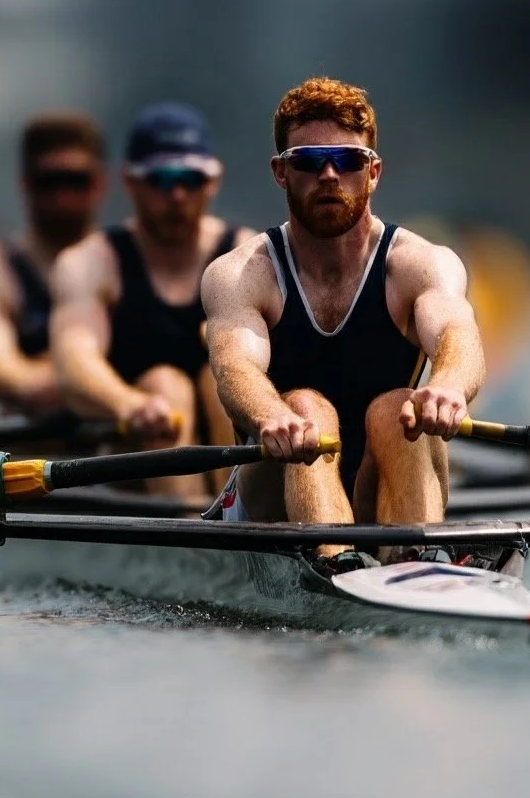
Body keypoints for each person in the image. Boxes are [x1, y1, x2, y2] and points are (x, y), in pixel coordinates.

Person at [201, 77, 486, 565]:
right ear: (281, 173)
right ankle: (336, 564)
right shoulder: (241, 273)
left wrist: (449, 388)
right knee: (307, 408)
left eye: (348, 160)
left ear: (373, 172)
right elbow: (234, 368)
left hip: (381, 483)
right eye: (309, 162)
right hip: (273, 498)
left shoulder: (422, 264)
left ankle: (416, 563)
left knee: (402, 409)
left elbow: (457, 334)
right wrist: (272, 416)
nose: (330, 174)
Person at [51, 102, 254, 497]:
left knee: (221, 382)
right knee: (166, 387)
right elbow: (74, 360)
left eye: (191, 179)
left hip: (226, 420)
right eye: (162, 180)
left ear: (213, 181)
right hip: (135, 450)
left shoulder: (248, 255)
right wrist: (127, 403)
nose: (177, 195)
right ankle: (191, 524)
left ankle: (236, 517)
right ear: (130, 182)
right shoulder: (92, 261)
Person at [0, 113, 107, 412]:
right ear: (25, 185)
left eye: (76, 182)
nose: (63, 198)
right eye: (49, 183)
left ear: (99, 184)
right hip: (27, 432)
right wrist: (50, 380)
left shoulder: (122, 261)